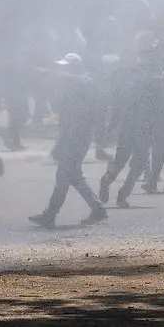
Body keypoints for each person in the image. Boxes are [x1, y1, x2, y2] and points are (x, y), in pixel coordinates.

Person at [29, 53, 108, 228]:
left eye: (67, 66)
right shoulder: (68, 85)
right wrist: (49, 88)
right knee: (73, 175)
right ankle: (97, 208)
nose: (64, 69)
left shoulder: (85, 79)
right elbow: (58, 108)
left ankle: (50, 214)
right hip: (68, 135)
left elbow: (81, 82)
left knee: (64, 175)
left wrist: (52, 74)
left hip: (79, 136)